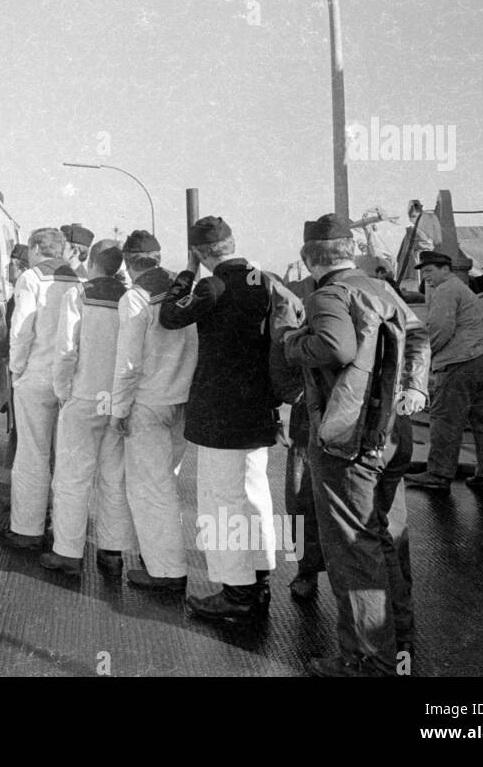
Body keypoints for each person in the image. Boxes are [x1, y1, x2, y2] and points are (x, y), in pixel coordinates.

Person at [282, 213, 430, 677]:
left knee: (353, 551)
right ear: (350, 250)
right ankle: (397, 636)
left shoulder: (329, 294)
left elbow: (335, 347)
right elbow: (419, 334)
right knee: (384, 538)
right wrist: (415, 387)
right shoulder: (381, 289)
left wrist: (291, 344)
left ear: (309, 258)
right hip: (390, 434)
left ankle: (369, 660)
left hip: (348, 441)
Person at [158, 216, 280, 623]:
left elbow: (171, 316)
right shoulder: (265, 280)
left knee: (220, 502)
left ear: (202, 253)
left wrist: (187, 273)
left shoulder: (212, 285)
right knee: (255, 493)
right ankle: (259, 578)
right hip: (258, 409)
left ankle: (236, 593)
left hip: (220, 414)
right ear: (232, 242)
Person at [41, 240, 137, 577]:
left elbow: (66, 350)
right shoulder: (131, 296)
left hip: (83, 396)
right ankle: (111, 551)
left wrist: (63, 391)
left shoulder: (79, 295)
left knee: (72, 477)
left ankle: (68, 552)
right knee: (114, 478)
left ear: (93, 260)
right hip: (118, 399)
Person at [109, 230, 199, 589]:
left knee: (150, 488)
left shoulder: (136, 298)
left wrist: (118, 408)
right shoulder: (182, 289)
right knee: (166, 482)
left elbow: (128, 362)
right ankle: (159, 555)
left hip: (149, 402)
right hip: (183, 400)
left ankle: (165, 570)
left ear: (130, 262)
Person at [3, 228, 81, 549]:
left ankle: (26, 530)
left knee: (32, 454)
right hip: (69, 378)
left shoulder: (30, 279)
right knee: (64, 457)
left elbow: (21, 331)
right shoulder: (76, 279)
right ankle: (62, 532)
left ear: (35, 248)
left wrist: (16, 369)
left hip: (35, 376)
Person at [404, 251, 483, 495]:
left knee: (446, 419)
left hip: (461, 362)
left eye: (429, 271)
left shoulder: (445, 290)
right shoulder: (463, 289)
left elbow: (440, 328)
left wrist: (423, 359)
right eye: (423, 272)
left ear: (445, 268)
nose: (426, 277)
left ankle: (438, 474)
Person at [281, 273, 324, 601]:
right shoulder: (303, 322)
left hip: (346, 421)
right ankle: (306, 569)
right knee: (301, 498)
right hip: (307, 421)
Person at [3, 243, 30, 465]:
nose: (6, 269)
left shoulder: (21, 293)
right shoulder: (18, 292)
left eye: (10, 265)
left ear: (18, 266)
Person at [395, 199, 442, 291]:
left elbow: (428, 244)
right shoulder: (411, 231)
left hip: (416, 269)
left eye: (415, 216)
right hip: (408, 271)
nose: (413, 219)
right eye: (411, 216)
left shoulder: (421, 230)